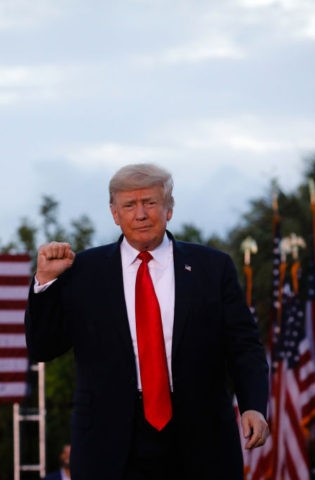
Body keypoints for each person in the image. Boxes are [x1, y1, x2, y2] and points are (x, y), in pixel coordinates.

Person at [25, 163, 269, 480]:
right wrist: (44, 282)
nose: (140, 214)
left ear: (168, 209)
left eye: (150, 203)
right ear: (115, 213)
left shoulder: (213, 267)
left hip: (202, 439)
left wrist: (253, 405)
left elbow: (244, 346)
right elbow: (43, 346)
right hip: (108, 444)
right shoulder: (84, 271)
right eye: (129, 205)